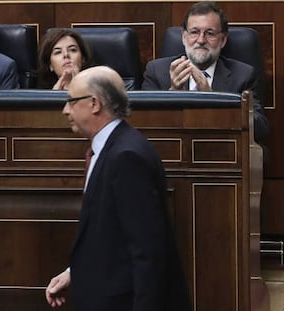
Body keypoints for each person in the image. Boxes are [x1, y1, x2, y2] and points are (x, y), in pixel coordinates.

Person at [45, 66, 191, 310]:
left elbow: (147, 250)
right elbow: (110, 236)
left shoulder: (127, 157)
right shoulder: (113, 148)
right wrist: (75, 273)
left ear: (94, 104)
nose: (65, 110)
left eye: (71, 101)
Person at [142, 1, 268, 149]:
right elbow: (143, 125)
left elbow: (260, 128)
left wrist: (212, 100)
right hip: (171, 154)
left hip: (222, 154)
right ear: (184, 37)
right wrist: (173, 93)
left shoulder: (243, 75)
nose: (201, 40)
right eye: (194, 32)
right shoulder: (157, 71)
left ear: (223, 40)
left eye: (210, 33)